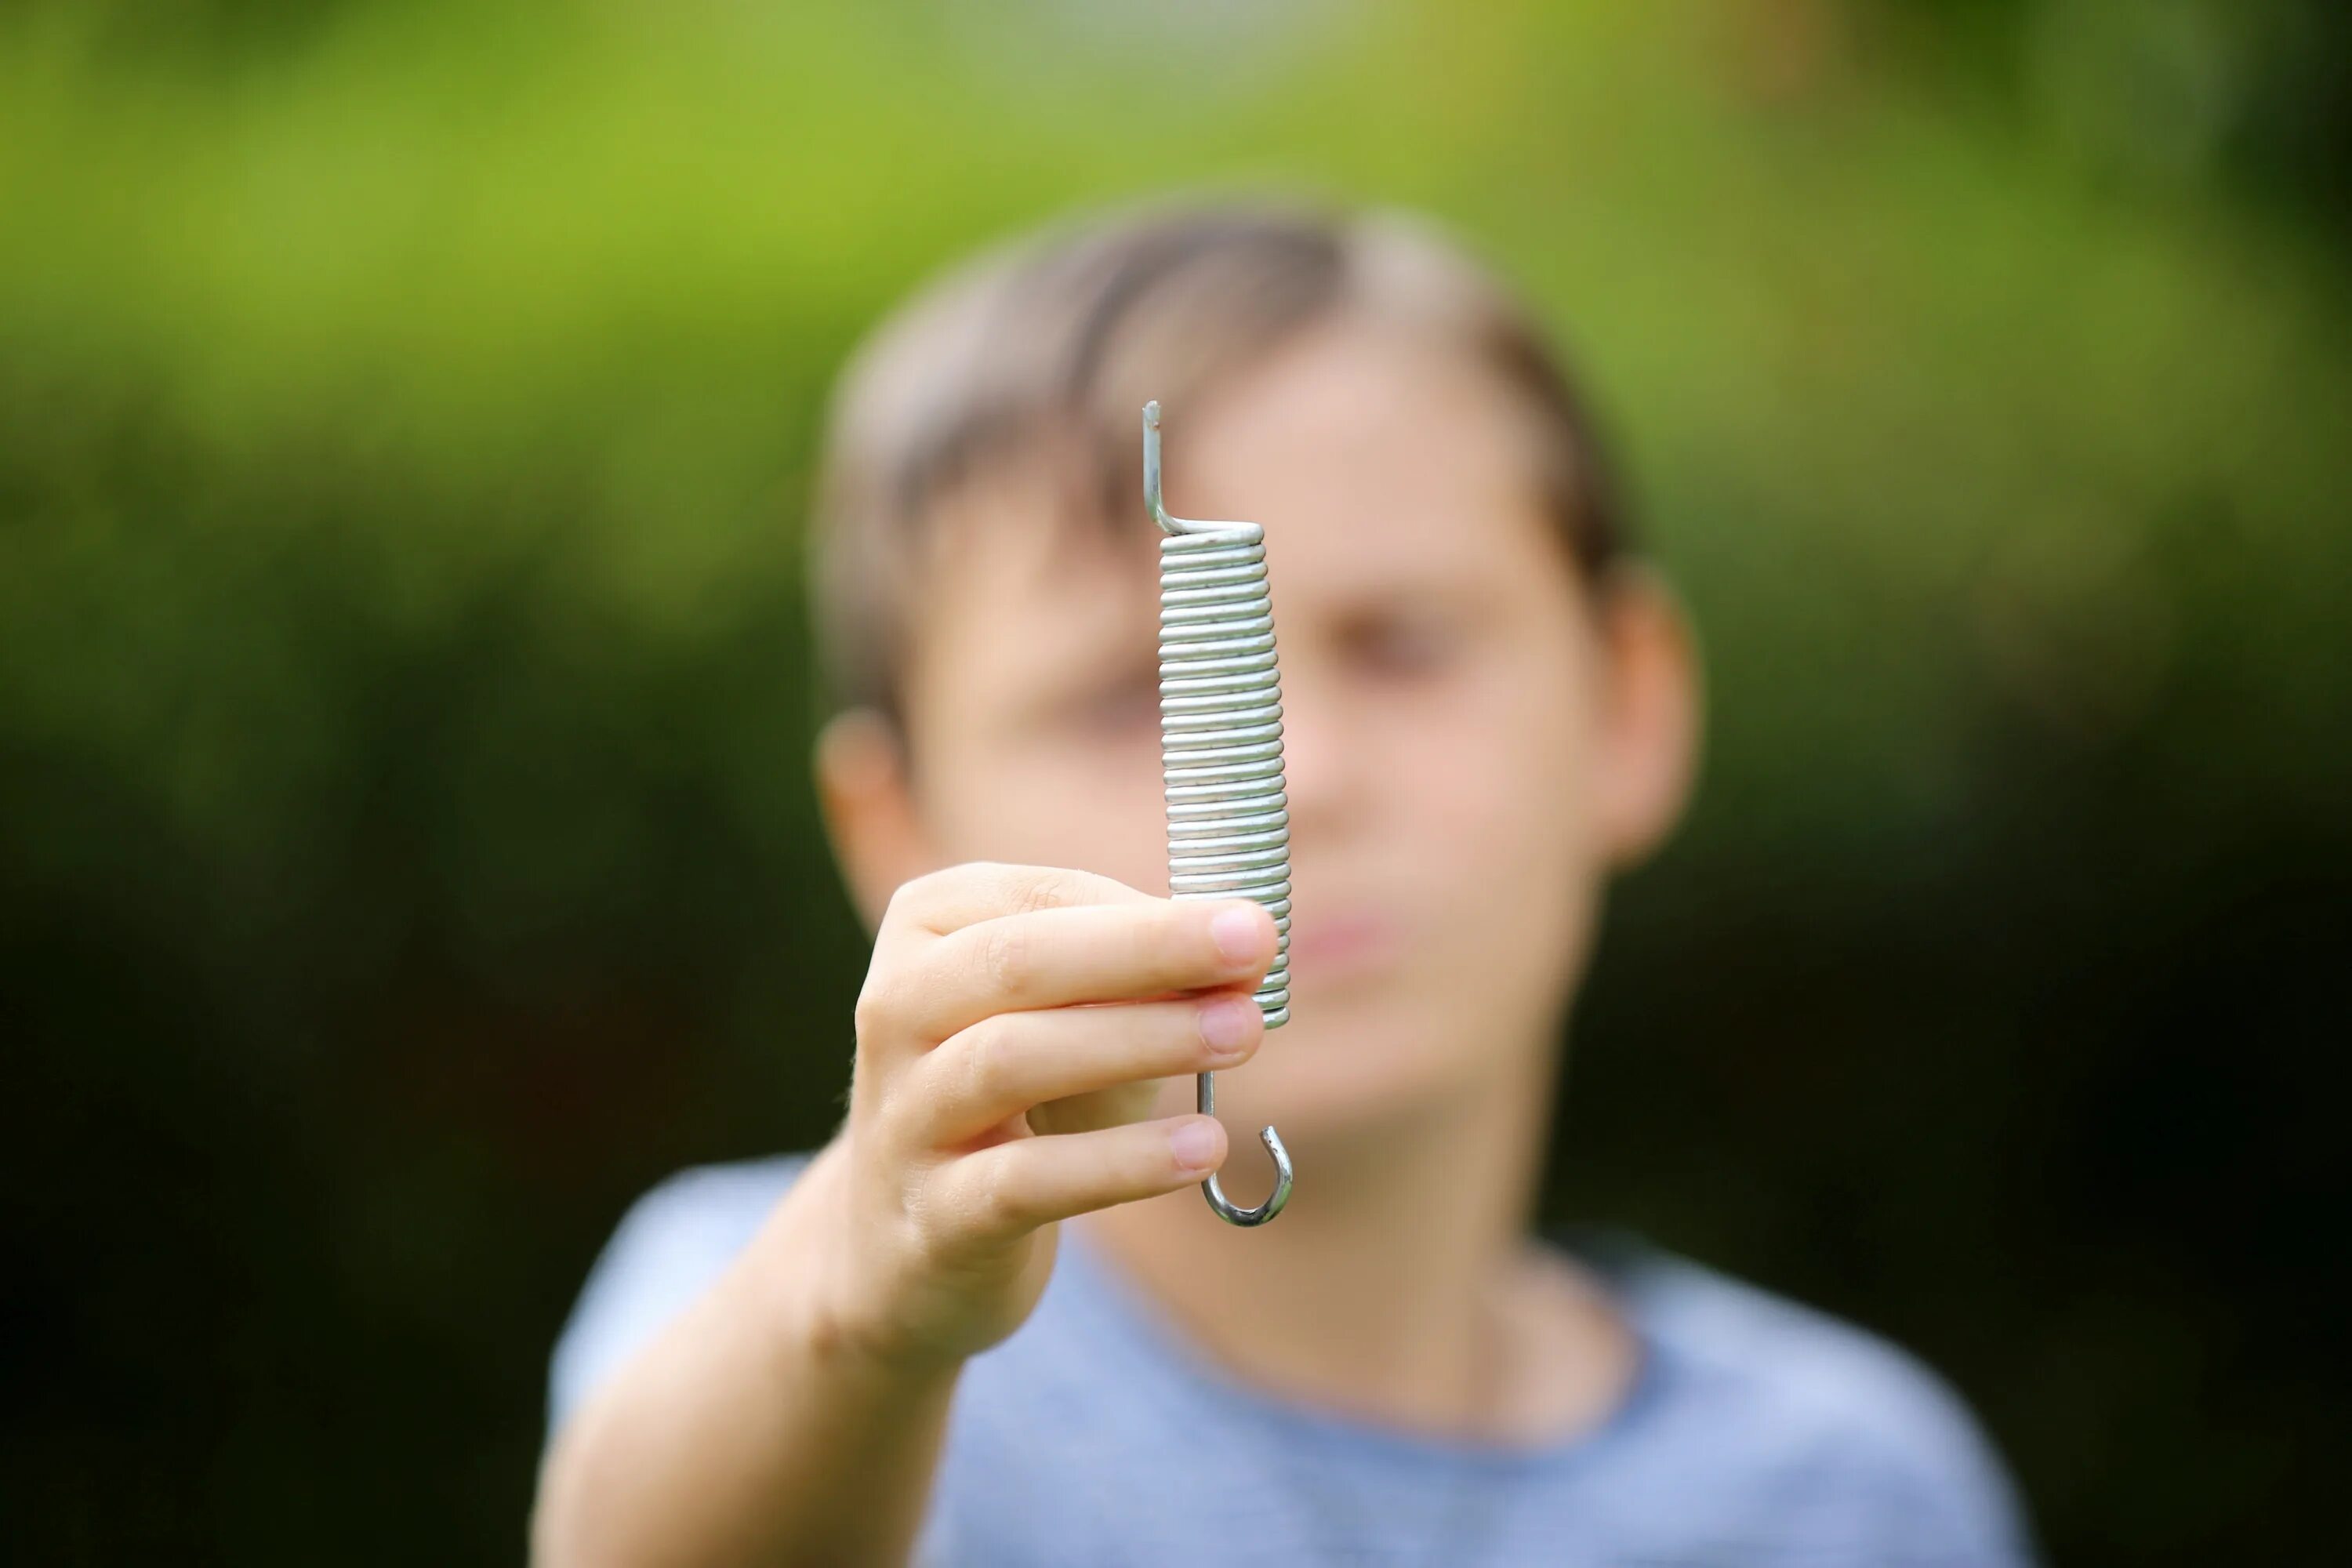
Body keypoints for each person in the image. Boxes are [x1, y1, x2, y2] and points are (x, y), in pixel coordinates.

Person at [528, 197, 2035, 1566]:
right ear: (898, 829)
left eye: (1406, 643)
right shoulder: (789, 1326)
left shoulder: (1853, 1497)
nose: (1303, 774)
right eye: (1129, 692)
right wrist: (860, 1311)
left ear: (1627, 710)